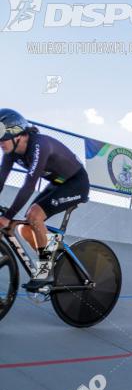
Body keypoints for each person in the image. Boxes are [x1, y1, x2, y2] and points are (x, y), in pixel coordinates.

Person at [0, 109, 90, 289]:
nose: (0, 142)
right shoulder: (11, 153)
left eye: (2, 137)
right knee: (27, 225)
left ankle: (45, 270)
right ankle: (51, 255)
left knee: (34, 216)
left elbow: (29, 185)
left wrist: (8, 216)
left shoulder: (39, 145)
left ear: (17, 133)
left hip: (76, 182)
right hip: (57, 183)